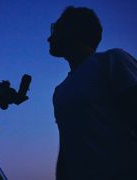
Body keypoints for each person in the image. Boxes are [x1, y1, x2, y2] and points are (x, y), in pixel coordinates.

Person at [48, 6, 137, 180]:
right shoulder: (60, 91)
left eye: (56, 29)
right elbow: (66, 146)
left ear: (73, 30)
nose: (49, 37)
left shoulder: (112, 61)